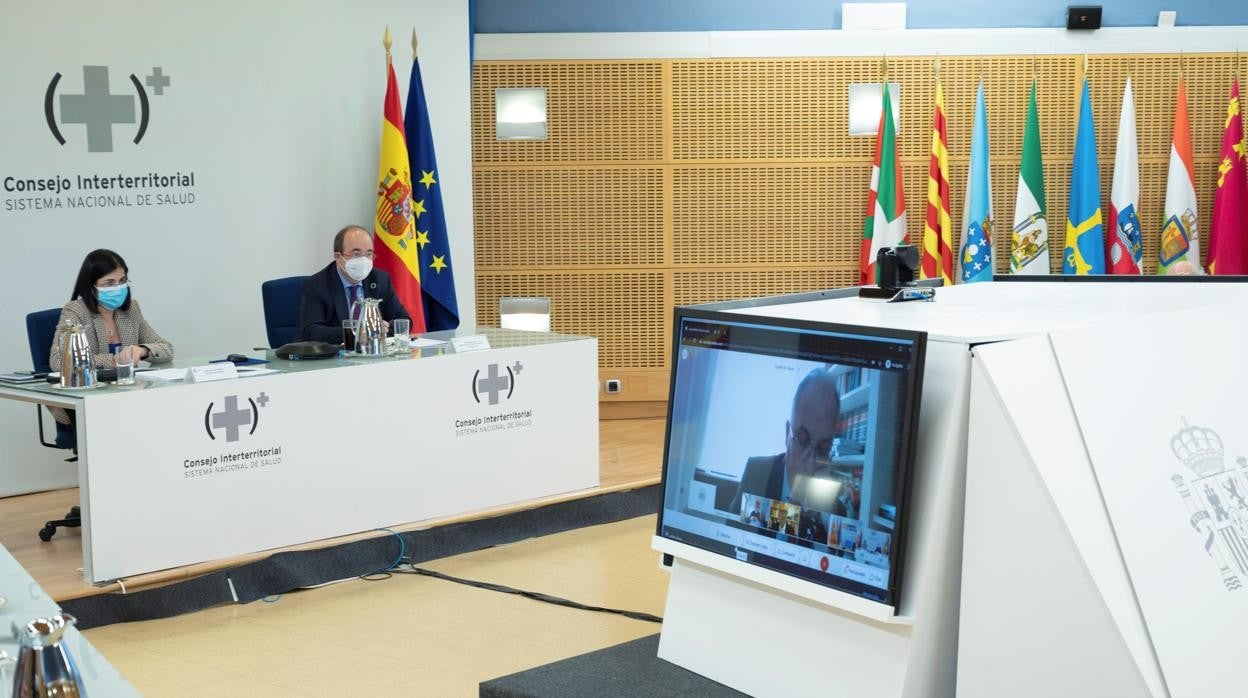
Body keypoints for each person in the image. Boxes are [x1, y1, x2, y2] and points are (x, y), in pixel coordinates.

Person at [48, 249, 174, 445]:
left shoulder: (131, 310)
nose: (118, 288)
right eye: (109, 283)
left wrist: (143, 350)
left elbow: (166, 349)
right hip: (89, 401)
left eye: (122, 281)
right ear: (91, 286)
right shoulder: (74, 311)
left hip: (129, 396)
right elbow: (59, 362)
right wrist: (116, 360)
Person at [729, 365, 841, 515]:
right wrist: (796, 499)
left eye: (823, 449)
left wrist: (819, 516)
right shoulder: (755, 472)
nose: (810, 464)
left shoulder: (837, 510)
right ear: (787, 433)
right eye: (802, 440)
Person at [296, 225, 410, 344]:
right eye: (356, 254)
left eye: (369, 254)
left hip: (374, 355)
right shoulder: (316, 285)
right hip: (335, 357)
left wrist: (382, 330)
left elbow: (403, 320)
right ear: (338, 256)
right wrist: (356, 333)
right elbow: (311, 331)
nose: (364, 260)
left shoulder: (380, 279)